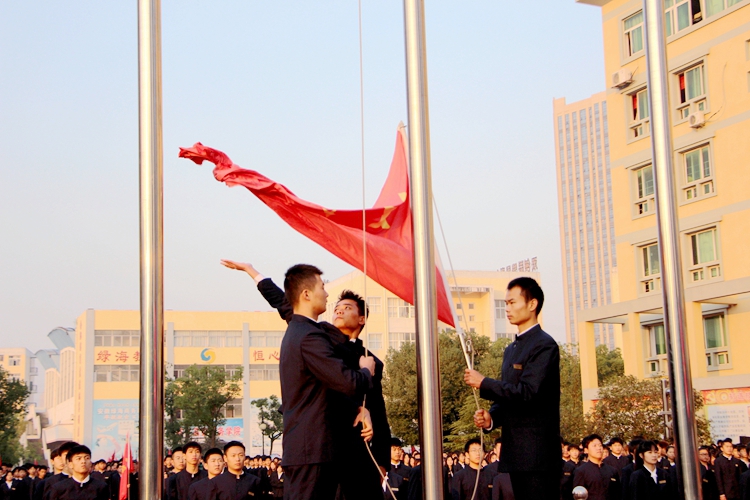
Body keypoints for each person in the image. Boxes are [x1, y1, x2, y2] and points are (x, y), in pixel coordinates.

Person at [273, 264, 375, 499]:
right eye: (322, 286)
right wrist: (366, 371)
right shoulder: (309, 336)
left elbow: (323, 391)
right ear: (306, 294)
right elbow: (347, 382)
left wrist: (358, 408)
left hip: (313, 452)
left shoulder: (301, 331)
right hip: (311, 452)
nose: (327, 293)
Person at [464, 277, 560, 500]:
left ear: (532, 304)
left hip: (538, 456)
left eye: (512, 302)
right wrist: (491, 419)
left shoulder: (544, 345)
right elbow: (508, 397)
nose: (507, 308)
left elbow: (528, 393)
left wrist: (484, 382)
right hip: (516, 453)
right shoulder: (510, 350)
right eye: (505, 303)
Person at [572, 434, 620, 500]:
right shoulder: (581, 471)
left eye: (600, 445)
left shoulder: (612, 470)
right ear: (586, 450)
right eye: (594, 446)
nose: (598, 448)